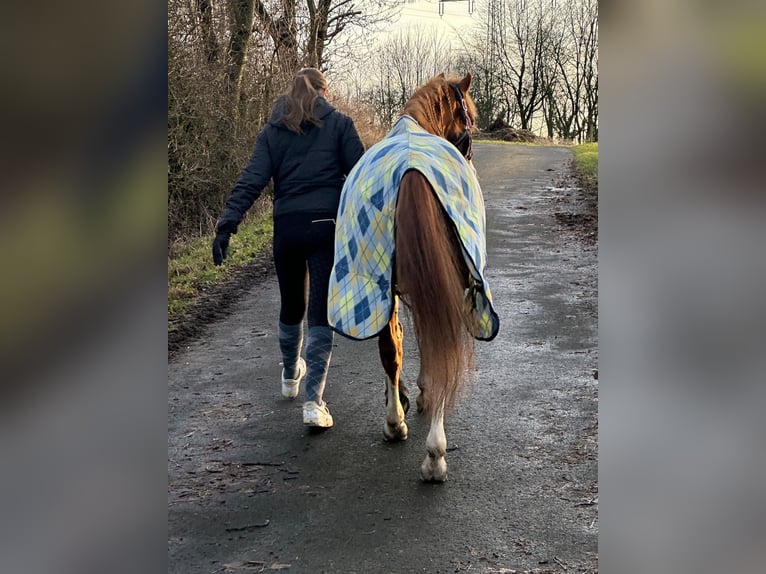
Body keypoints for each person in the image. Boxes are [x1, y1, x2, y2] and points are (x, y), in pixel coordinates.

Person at [212, 68, 364, 429]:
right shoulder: (340, 123)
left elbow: (252, 178)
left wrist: (227, 223)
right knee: (319, 313)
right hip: (325, 227)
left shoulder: (273, 131)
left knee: (291, 303)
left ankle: (289, 374)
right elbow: (360, 174)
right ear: (324, 90)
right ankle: (314, 403)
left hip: (288, 228)